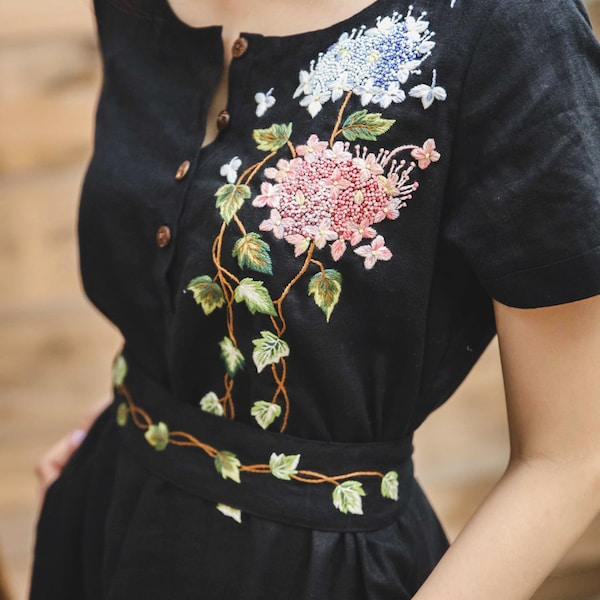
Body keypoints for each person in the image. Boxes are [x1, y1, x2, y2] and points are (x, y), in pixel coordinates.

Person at [31, 0, 600, 598]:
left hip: (310, 574)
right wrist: (146, 413)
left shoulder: (503, 23)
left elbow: (570, 456)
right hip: (105, 521)